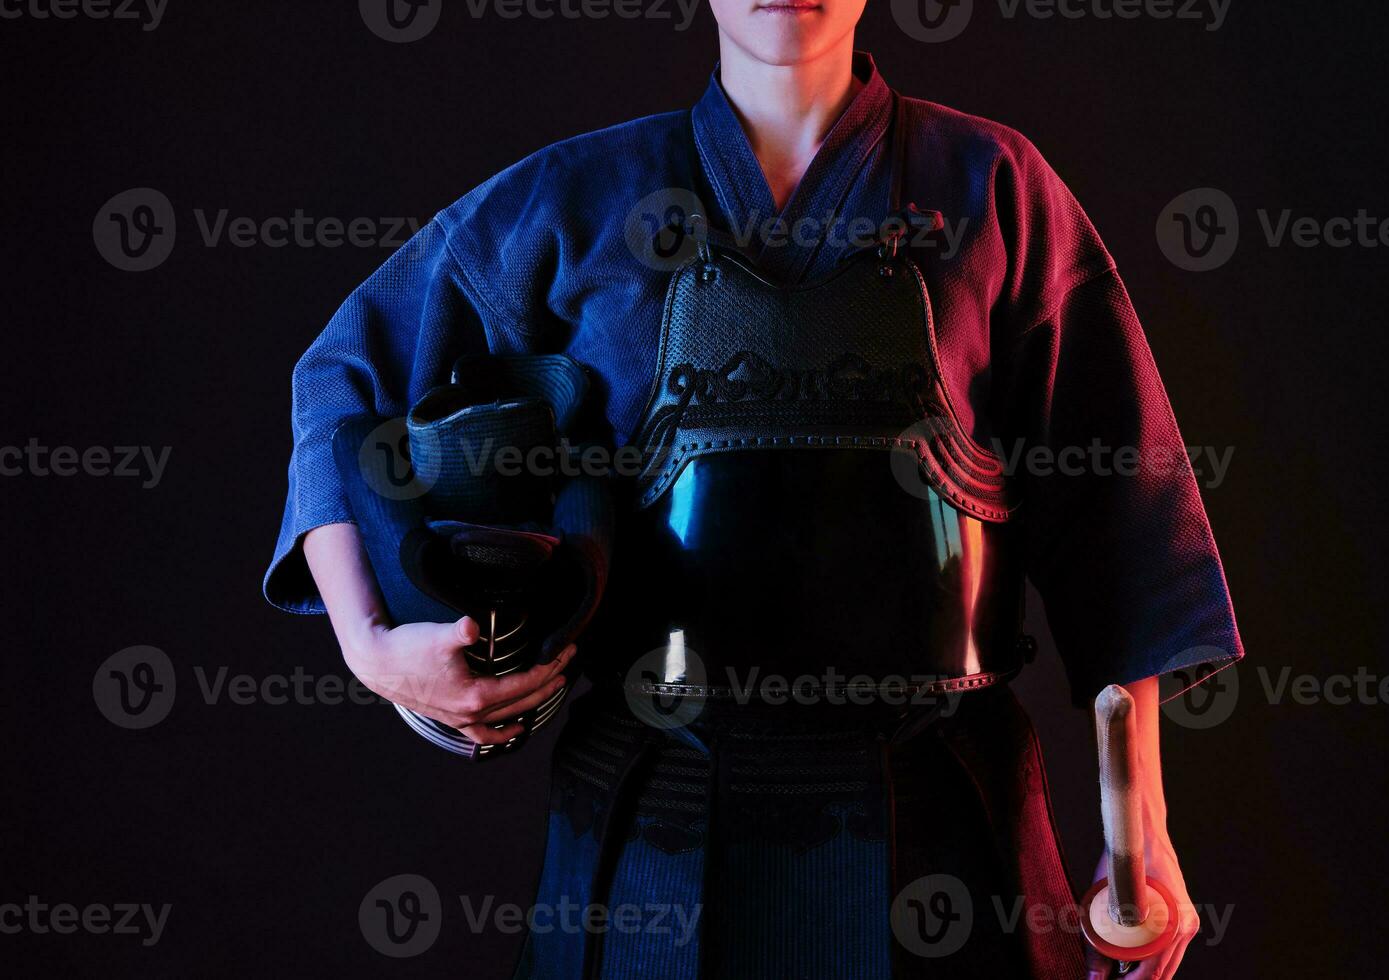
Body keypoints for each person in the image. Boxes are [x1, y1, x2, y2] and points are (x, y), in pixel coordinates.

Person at [264, 2, 1243, 978]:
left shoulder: (994, 187)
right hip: (653, 821)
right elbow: (342, 377)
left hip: (946, 809)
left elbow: (1122, 517)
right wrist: (374, 648)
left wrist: (1137, 825)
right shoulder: (573, 203)